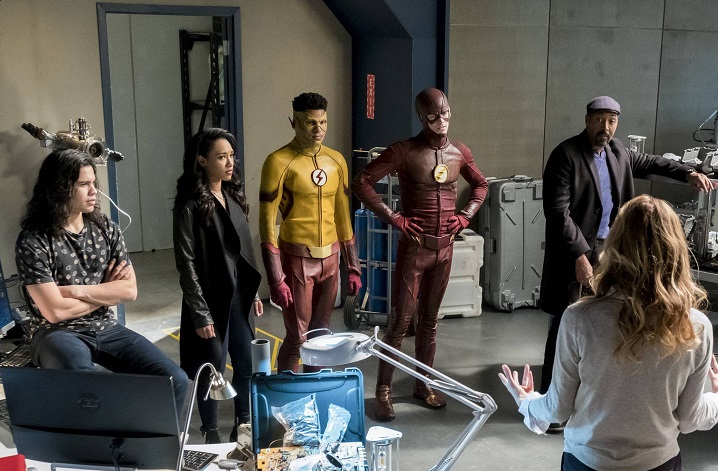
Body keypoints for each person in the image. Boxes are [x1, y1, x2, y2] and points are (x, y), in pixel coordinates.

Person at [500, 195, 718, 471]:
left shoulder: (579, 318)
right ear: (676, 250)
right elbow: (689, 419)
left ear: (613, 246)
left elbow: (556, 409)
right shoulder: (695, 326)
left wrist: (526, 401)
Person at [539, 95, 714, 431]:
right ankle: (553, 407)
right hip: (578, 249)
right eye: (599, 120)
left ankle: (594, 398)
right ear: (587, 119)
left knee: (609, 319)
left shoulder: (618, 151)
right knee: (565, 322)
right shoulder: (566, 155)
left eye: (612, 121)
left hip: (613, 251)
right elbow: (557, 213)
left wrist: (689, 173)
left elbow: (653, 162)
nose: (605, 128)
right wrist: (579, 256)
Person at [15, 149, 190, 418]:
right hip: (54, 333)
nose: (93, 191)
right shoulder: (33, 241)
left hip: (105, 327)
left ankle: (158, 442)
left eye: (93, 183)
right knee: (89, 388)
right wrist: (105, 292)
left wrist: (75, 291)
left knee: (175, 380)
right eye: (83, 184)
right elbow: (55, 312)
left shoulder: (106, 228)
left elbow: (129, 291)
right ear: (59, 188)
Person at [353, 88, 488, 421]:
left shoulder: (459, 152)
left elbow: (481, 185)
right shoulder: (405, 151)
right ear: (421, 117)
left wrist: (465, 216)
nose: (441, 121)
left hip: (445, 248)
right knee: (399, 323)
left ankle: (423, 384)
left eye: (445, 113)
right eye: (433, 115)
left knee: (430, 322)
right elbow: (362, 181)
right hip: (415, 249)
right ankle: (383, 391)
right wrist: (394, 218)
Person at [259, 92, 361, 373]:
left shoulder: (336, 160)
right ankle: (289, 394)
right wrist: (276, 278)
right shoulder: (278, 161)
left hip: (331, 258)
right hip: (297, 258)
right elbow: (266, 223)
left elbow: (343, 216)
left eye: (323, 122)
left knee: (321, 336)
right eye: (310, 123)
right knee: (297, 337)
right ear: (294, 122)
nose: (318, 129)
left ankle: (313, 391)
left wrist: (353, 267)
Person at [174, 128, 263, 444]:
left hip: (239, 296)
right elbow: (186, 263)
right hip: (209, 300)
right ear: (202, 161)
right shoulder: (190, 206)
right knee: (211, 369)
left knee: (245, 364)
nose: (230, 163)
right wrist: (200, 313)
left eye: (231, 156)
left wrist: (253, 293)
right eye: (221, 157)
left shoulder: (232, 197)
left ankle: (243, 426)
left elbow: (242, 252)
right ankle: (210, 432)